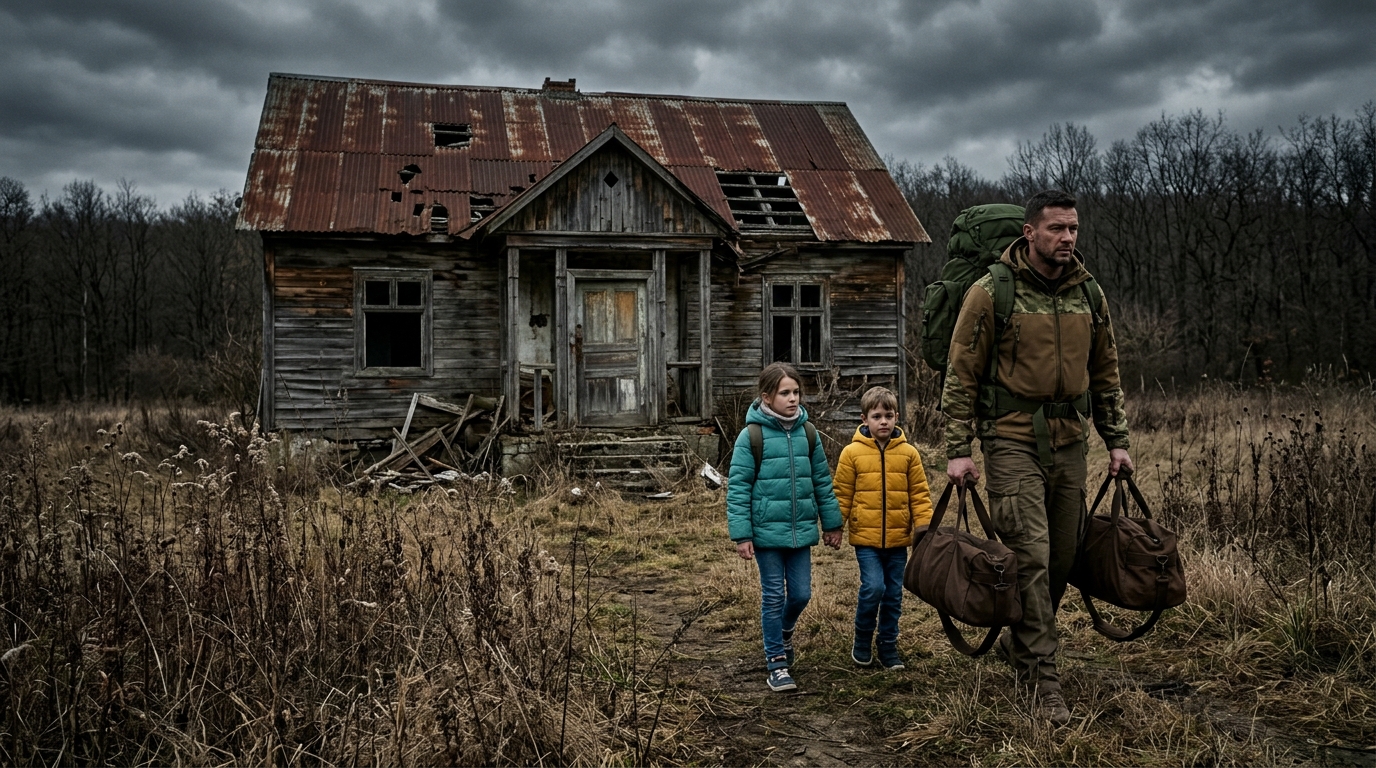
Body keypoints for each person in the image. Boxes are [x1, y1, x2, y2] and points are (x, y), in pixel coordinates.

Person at [941, 189, 1133, 726]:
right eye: (1056, 228)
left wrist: (1117, 440)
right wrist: (957, 450)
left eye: (1073, 228)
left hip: (1070, 441)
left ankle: (1020, 642)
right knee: (1029, 556)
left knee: (1063, 558)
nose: (1067, 238)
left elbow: (1106, 373)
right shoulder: (991, 291)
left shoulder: (1088, 292)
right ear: (1030, 233)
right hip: (1010, 439)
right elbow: (960, 373)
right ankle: (1042, 679)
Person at [727, 362, 844, 693]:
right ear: (767, 397)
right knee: (774, 596)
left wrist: (832, 523)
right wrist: (742, 534)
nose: (793, 399)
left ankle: (784, 631)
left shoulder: (808, 433)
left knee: (802, 594)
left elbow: (822, 481)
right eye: (785, 393)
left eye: (796, 392)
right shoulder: (752, 436)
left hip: (800, 530)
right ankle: (776, 663)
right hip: (766, 533)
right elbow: (738, 487)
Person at [832, 386, 933, 670]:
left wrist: (924, 530)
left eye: (889, 415)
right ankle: (862, 640)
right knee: (873, 588)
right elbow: (842, 494)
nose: (883, 422)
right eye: (877, 416)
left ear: (897, 417)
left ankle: (888, 645)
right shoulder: (851, 453)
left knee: (893, 594)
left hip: (899, 540)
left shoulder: (909, 454)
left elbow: (919, 495)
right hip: (866, 539)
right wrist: (835, 527)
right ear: (864, 419)